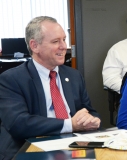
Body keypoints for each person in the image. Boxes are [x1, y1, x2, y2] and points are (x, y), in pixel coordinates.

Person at [0, 16, 101, 160]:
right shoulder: (11, 79)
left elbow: (90, 111)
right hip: (27, 150)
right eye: (55, 41)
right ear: (34, 46)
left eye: (64, 39)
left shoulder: (73, 76)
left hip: (72, 148)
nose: (63, 46)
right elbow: (19, 124)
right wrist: (70, 124)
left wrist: (92, 120)